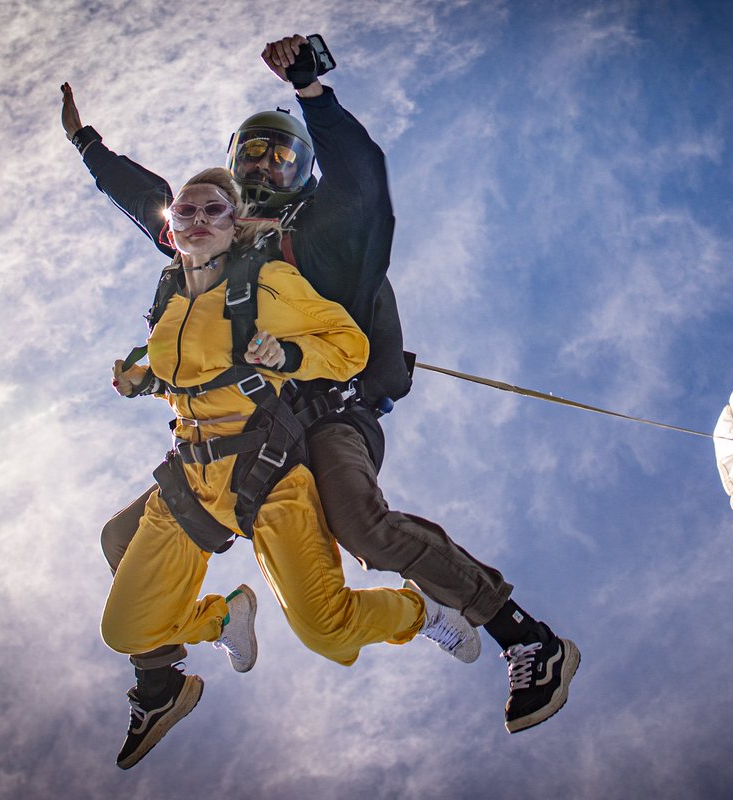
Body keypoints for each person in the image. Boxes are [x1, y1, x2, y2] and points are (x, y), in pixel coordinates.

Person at [62, 34, 580, 739]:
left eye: (280, 155)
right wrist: (89, 146)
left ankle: (526, 638)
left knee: (359, 524)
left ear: (305, 171)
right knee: (124, 539)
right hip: (246, 423)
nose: (261, 165)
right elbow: (154, 203)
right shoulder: (221, 239)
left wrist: (314, 95)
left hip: (327, 406)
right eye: (250, 154)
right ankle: (160, 679)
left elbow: (363, 183)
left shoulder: (321, 233)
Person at [102, 167, 479, 770]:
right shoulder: (168, 297)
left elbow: (350, 349)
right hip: (191, 482)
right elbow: (187, 377)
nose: (198, 221)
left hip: (266, 476)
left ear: (234, 225)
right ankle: (222, 618)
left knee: (327, 631)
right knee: (125, 631)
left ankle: (422, 612)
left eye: (213, 211)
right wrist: (141, 382)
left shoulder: (267, 282)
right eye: (185, 212)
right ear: (170, 228)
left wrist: (291, 355)